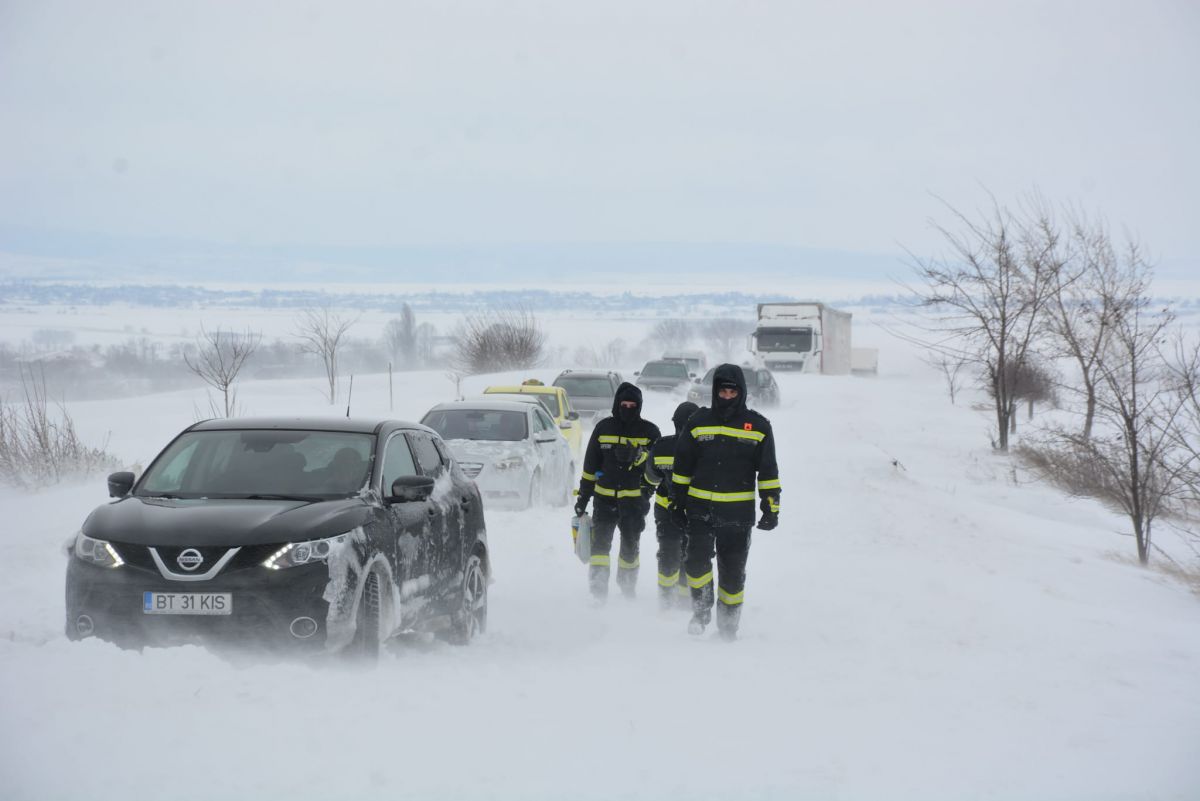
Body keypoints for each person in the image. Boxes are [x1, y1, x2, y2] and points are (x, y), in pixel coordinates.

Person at [670, 364, 780, 640]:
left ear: (741, 392)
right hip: (700, 511)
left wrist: (771, 507)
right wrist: (677, 502)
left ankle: (728, 627)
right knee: (695, 563)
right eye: (723, 391)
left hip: (737, 516)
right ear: (715, 391)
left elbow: (768, 472)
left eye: (733, 392)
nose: (727, 396)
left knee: (732, 574)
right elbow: (682, 467)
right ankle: (701, 609)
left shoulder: (759, 426)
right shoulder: (698, 422)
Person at [574, 382, 661, 602]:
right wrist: (583, 497)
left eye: (633, 405)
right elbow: (590, 466)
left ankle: (627, 591)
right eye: (624, 404)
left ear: (639, 406)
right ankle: (598, 592)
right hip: (604, 500)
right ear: (616, 404)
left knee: (630, 549)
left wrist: (639, 457)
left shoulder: (650, 432)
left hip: (634, 502)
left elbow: (656, 468)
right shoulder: (603, 428)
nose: (628, 409)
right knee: (600, 548)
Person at [644, 400, 699, 610]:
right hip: (695, 511)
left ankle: (666, 601)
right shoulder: (708, 449)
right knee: (690, 553)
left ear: (675, 423)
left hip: (667, 509)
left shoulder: (661, 446)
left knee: (668, 552)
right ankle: (683, 601)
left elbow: (651, 477)